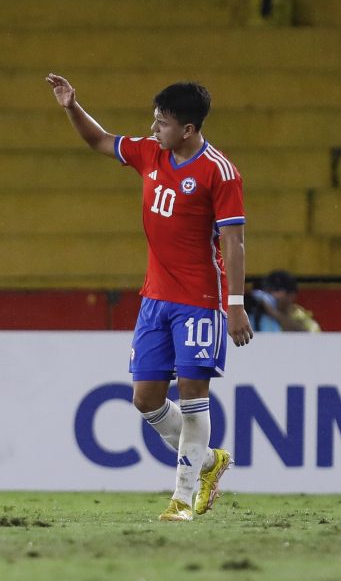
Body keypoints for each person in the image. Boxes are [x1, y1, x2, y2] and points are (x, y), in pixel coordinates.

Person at [46, 73, 253, 522]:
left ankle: (181, 499)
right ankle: (209, 461)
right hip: (155, 298)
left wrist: (235, 305)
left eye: (162, 122)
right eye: (155, 120)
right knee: (145, 400)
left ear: (189, 129)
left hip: (200, 299)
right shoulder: (150, 153)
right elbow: (99, 141)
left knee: (195, 394)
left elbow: (234, 242)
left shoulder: (219, 172)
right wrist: (71, 106)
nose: (154, 128)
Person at [248, 269, 321, 332]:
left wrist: (273, 313)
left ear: (291, 296)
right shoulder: (258, 316)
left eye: (276, 290)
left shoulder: (303, 319)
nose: (270, 295)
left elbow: (310, 338)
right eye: (268, 290)